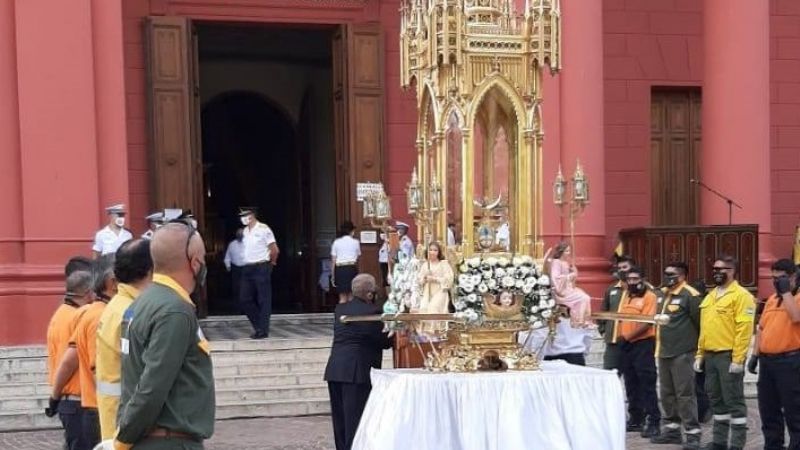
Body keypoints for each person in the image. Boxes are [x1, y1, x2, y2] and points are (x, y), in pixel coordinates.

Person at [115, 222, 214, 449]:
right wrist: (123, 440)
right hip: (168, 441)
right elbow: (153, 385)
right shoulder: (174, 310)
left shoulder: (140, 303)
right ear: (194, 260)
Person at [693, 255, 755, 450]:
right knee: (716, 400)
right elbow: (705, 329)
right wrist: (699, 354)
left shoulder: (742, 296)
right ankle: (719, 442)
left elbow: (744, 329)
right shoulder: (711, 296)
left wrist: (738, 359)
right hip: (710, 356)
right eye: (715, 269)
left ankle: (736, 444)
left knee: (734, 400)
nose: (717, 273)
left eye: (722, 269)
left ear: (732, 271)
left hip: (728, 355)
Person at [324, 274, 392, 450]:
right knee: (356, 419)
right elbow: (384, 342)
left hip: (335, 369)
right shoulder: (372, 312)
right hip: (356, 372)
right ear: (370, 294)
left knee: (340, 420)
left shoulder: (340, 309)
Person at [95, 239, 153, 440]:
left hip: (115, 416)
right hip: (127, 421)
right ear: (151, 270)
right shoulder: (132, 313)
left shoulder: (117, 305)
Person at [56, 256, 116, 449]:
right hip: (94, 405)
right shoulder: (99, 315)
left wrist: (55, 394)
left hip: (83, 403)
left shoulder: (78, 313)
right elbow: (93, 365)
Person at [748, 259, 800, 450]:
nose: (777, 282)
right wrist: (755, 355)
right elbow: (761, 328)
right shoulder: (771, 299)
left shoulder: (797, 297)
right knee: (768, 410)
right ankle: (773, 446)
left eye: (782, 278)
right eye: (774, 278)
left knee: (794, 411)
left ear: (793, 276)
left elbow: (796, 317)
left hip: (791, 361)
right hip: (768, 363)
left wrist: (786, 291)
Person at [650, 262, 702, 449]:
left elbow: (699, 323)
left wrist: (696, 349)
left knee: (685, 394)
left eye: (671, 274)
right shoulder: (661, 294)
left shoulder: (690, 295)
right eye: (666, 273)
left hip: (683, 352)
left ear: (682, 275)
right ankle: (672, 431)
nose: (667, 276)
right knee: (666, 393)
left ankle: (692, 433)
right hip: (663, 351)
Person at [45, 270, 96, 450]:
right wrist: (54, 396)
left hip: (67, 401)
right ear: (89, 292)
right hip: (79, 399)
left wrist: (55, 396)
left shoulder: (59, 314)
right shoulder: (81, 314)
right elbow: (69, 361)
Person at [617, 266, 660, 438]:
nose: (632, 282)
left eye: (636, 279)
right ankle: (636, 418)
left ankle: (654, 420)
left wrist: (628, 337)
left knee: (647, 384)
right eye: (629, 279)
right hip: (626, 345)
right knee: (631, 383)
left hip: (643, 343)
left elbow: (647, 322)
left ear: (642, 279)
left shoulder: (650, 296)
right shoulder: (626, 296)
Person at [239, 207, 279, 339]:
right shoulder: (245, 231)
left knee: (263, 299)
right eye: (241, 215)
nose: (243, 218)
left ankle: (262, 330)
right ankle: (259, 325)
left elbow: (274, 249)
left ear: (252, 215)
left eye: (245, 215)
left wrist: (271, 264)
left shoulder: (264, 229)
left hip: (261, 266)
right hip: (247, 268)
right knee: (245, 299)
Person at [598, 255, 635, 372]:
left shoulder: (644, 289)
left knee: (634, 379)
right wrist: (603, 330)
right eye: (619, 268)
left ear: (633, 268)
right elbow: (604, 311)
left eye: (625, 267)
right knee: (609, 376)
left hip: (635, 342)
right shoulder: (611, 289)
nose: (622, 270)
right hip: (613, 341)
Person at [547, 242, 592, 327]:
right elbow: (555, 278)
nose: (569, 253)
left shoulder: (565, 263)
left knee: (586, 297)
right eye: (567, 251)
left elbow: (571, 280)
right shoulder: (556, 262)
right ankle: (578, 321)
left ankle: (583, 320)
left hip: (568, 288)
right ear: (561, 252)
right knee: (583, 298)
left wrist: (574, 273)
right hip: (560, 291)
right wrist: (570, 275)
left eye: (569, 251)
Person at [416, 241, 454, 335]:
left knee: (433, 307)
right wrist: (424, 278)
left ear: (439, 252)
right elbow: (419, 280)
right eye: (431, 250)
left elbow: (449, 279)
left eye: (435, 250)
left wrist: (435, 279)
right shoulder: (425, 265)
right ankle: (425, 332)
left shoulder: (443, 264)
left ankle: (436, 330)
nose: (432, 252)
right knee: (424, 307)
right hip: (427, 291)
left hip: (440, 290)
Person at [331, 221, 361, 304]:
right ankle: (351, 315)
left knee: (342, 297)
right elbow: (358, 257)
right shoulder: (356, 242)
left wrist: (333, 275)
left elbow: (333, 260)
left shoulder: (336, 242)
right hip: (351, 268)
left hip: (340, 269)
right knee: (351, 295)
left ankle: (341, 315)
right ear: (351, 231)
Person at [223, 228, 245, 305]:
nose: (240, 235)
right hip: (236, 269)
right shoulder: (232, 244)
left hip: (247, 268)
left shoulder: (249, 243)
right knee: (236, 288)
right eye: (239, 234)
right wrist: (228, 266)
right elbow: (227, 257)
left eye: (241, 233)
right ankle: (237, 307)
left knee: (247, 288)